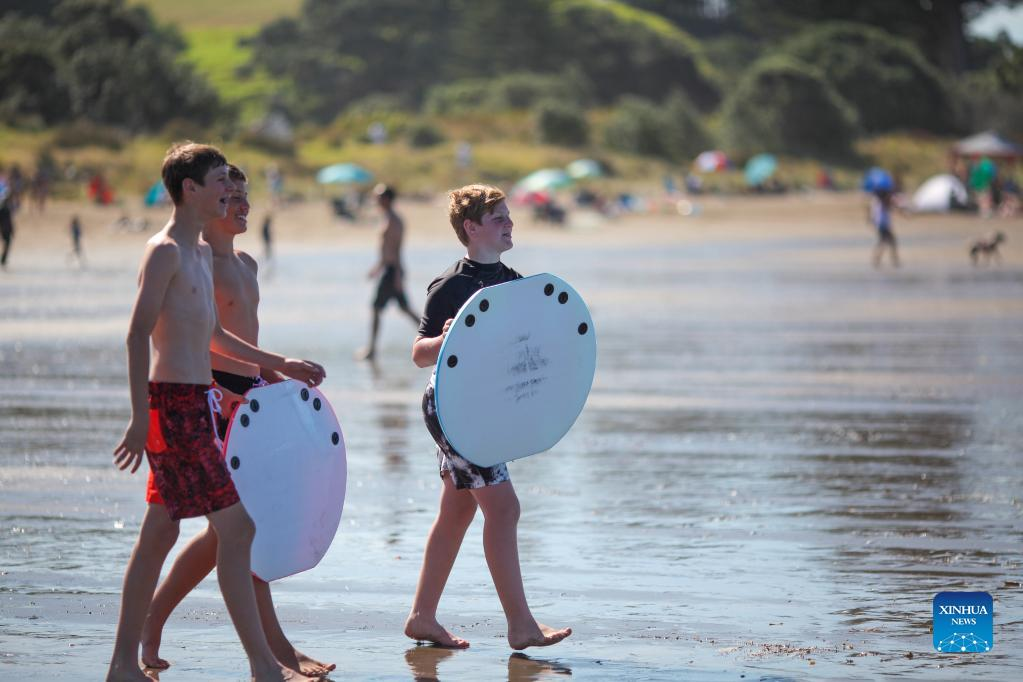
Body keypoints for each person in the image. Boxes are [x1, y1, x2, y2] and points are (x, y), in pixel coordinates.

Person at [107, 142, 325, 682]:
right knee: (238, 528)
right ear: (191, 190)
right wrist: (140, 417)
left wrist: (278, 365)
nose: (231, 192)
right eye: (221, 183)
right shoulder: (164, 252)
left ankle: (124, 664)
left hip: (193, 404)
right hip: (173, 405)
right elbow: (137, 333)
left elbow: (212, 332)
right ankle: (262, 664)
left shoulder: (200, 255)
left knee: (162, 534)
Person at [403, 184, 572, 650]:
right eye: (497, 217)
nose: (509, 223)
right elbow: (419, 354)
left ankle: (422, 617)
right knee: (504, 507)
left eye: (507, 215)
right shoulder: (451, 284)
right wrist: (450, 337)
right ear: (471, 227)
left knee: (457, 511)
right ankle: (521, 625)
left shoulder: (514, 281)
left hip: (489, 406)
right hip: (457, 409)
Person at [357, 184, 419, 361]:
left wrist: (398, 275)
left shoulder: (394, 221)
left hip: (393, 271)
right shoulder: (387, 218)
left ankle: (372, 349)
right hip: (389, 269)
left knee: (378, 308)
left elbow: (397, 250)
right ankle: (433, 337)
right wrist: (377, 267)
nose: (375, 200)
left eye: (378, 197)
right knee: (404, 308)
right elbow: (386, 249)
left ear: (386, 199)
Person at [868, 188, 900, 268]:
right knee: (888, 241)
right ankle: (892, 260)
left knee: (884, 242)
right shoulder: (882, 203)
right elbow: (891, 206)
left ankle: (878, 260)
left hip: (881, 225)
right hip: (883, 225)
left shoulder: (877, 202)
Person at [0, 168, 14, 270]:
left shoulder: (5, 184)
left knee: (8, 240)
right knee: (7, 240)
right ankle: (3, 260)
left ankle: (3, 259)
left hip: (5, 214)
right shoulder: (4, 185)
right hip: (4, 214)